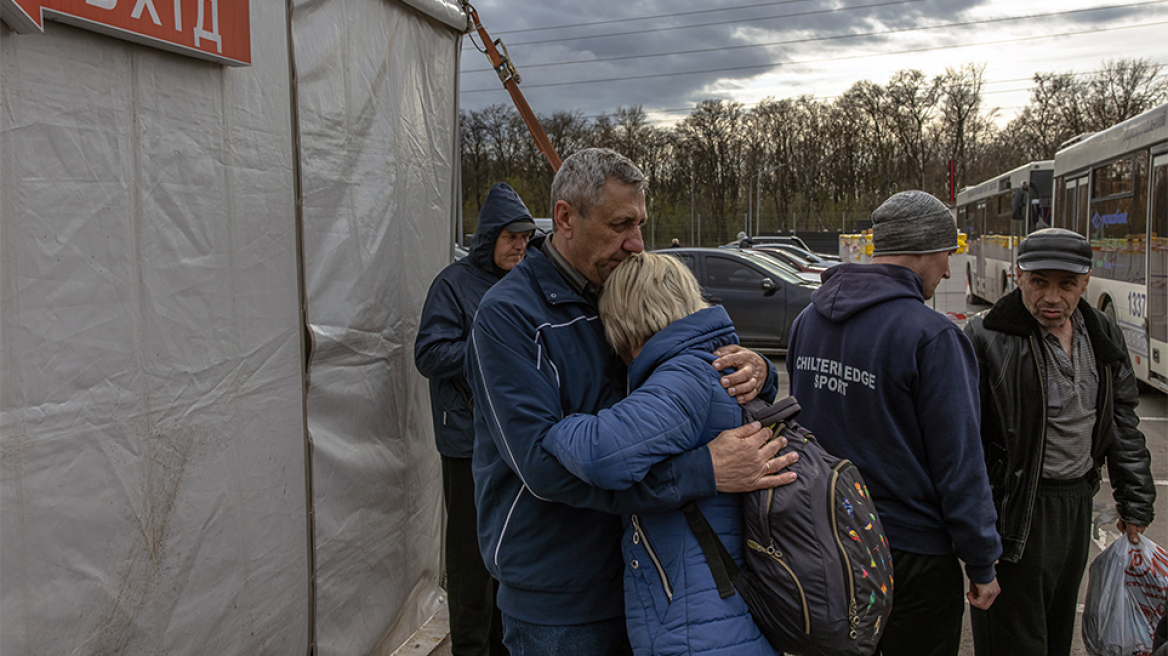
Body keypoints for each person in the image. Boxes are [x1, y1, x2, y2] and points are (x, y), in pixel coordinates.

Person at [467, 148, 792, 655]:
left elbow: (689, 368)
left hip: (653, 577)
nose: (637, 243)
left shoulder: (624, 283)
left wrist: (754, 372)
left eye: (640, 223)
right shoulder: (507, 317)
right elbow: (543, 469)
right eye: (620, 224)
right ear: (565, 218)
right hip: (562, 594)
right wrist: (702, 472)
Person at [785, 190, 1002, 656]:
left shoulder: (809, 320)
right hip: (911, 553)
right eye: (947, 254)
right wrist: (982, 560)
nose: (947, 270)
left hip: (828, 540)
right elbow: (960, 463)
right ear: (924, 249)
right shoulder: (932, 336)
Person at [542, 252, 780, 656]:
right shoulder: (710, 360)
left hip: (699, 627)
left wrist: (552, 428)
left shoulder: (681, 375)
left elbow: (604, 454)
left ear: (627, 320)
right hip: (718, 614)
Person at [963, 228, 1155, 656]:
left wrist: (1135, 500)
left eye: (1066, 284)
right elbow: (964, 446)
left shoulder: (1102, 332)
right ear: (1019, 277)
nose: (1052, 297)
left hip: (1074, 505)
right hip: (1013, 512)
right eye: (1039, 282)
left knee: (1055, 635)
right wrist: (976, 537)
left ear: (1085, 282)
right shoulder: (985, 336)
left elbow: (1122, 421)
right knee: (1013, 641)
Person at [414, 182, 536, 656]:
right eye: (511, 238)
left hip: (511, 439)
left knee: (506, 547)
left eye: (526, 238)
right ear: (489, 238)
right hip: (466, 441)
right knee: (469, 557)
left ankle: (500, 645)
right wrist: (491, 349)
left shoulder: (523, 280)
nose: (520, 247)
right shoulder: (453, 283)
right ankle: (467, 647)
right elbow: (428, 353)